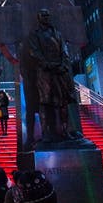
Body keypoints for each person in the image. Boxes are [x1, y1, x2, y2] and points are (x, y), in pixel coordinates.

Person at [26, 8, 77, 143]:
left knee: (63, 102)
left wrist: (62, 65)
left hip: (59, 71)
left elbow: (64, 51)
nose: (46, 17)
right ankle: (45, 133)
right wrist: (46, 64)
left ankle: (65, 131)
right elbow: (34, 51)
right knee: (45, 102)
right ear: (39, 18)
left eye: (48, 15)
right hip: (45, 72)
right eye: (43, 15)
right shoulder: (35, 34)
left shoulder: (57, 33)